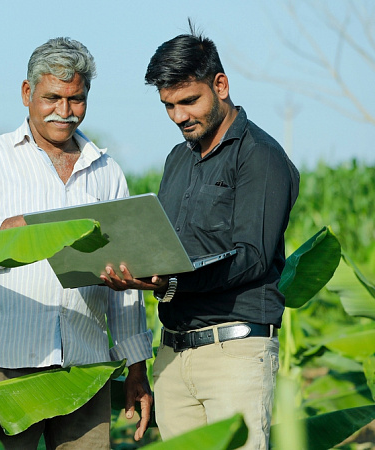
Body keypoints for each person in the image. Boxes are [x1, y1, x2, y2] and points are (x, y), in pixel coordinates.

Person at [0, 37, 153, 449]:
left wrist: (137, 367)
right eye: (52, 97)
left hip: (85, 366)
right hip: (4, 365)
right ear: (27, 93)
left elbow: (127, 283)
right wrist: (8, 228)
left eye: (76, 99)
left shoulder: (107, 172)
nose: (65, 111)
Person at [101, 23, 300, 449]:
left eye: (189, 101)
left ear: (221, 85)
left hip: (234, 355)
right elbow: (167, 248)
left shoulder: (260, 156)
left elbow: (253, 256)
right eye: (169, 106)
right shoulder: (178, 159)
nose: (179, 117)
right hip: (172, 354)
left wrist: (170, 280)